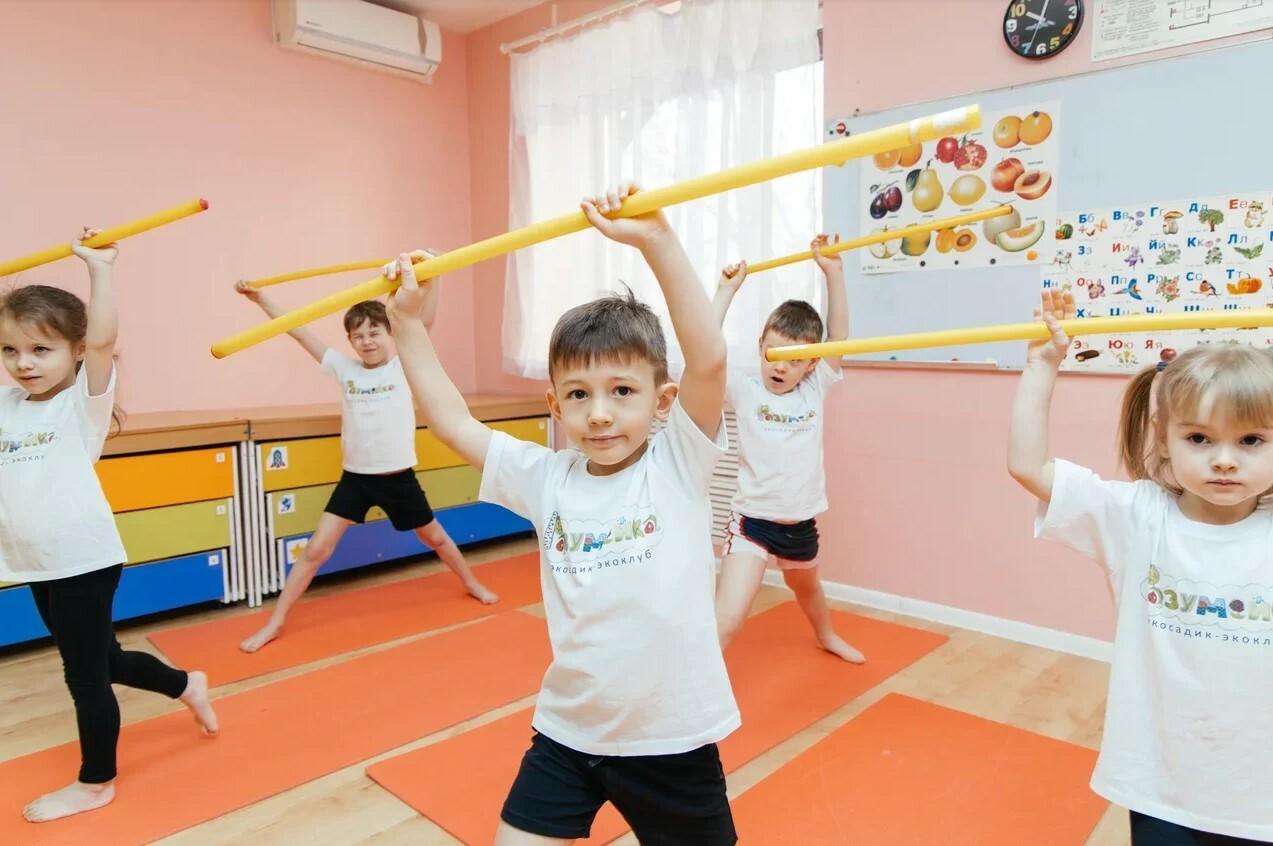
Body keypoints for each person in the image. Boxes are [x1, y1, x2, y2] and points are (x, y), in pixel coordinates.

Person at [383, 182, 740, 845]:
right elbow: (451, 421)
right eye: (578, 393)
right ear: (555, 406)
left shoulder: (678, 465)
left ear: (661, 401)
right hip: (569, 733)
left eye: (621, 391)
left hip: (671, 740)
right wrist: (407, 324)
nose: (598, 412)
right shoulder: (547, 479)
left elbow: (710, 358)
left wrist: (657, 241)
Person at [1009, 288, 1273, 845]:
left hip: (1259, 792)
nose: (1224, 458)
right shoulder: (1138, 516)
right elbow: (1028, 465)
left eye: (1251, 440)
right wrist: (1041, 366)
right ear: (1165, 439)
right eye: (1199, 438)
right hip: (1160, 782)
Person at [0, 229, 218, 823]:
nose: (23, 363)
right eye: (11, 350)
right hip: (34, 559)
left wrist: (99, 269)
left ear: (73, 351)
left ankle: (96, 782)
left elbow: (104, 337)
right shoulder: (7, 405)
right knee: (102, 656)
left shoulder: (82, 404)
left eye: (41, 350)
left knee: (84, 672)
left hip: (83, 558)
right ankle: (184, 684)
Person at [233, 257, 496, 653]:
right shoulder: (345, 370)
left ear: (389, 334)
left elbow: (424, 324)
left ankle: (472, 583)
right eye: (359, 336)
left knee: (436, 538)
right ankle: (274, 623)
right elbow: (296, 331)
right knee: (315, 551)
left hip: (398, 477)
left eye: (375, 332)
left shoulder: (403, 367)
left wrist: (435, 274)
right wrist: (259, 299)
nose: (367, 341)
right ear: (351, 342)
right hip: (355, 479)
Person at [711, 234, 864, 663]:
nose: (781, 366)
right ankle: (689, 686)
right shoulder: (743, 387)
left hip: (799, 523)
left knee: (808, 588)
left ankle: (826, 635)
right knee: (727, 618)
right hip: (751, 523)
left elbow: (840, 336)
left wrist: (833, 271)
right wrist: (725, 292)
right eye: (774, 354)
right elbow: (705, 350)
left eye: (795, 360)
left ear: (813, 363)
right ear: (761, 346)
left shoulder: (815, 388)